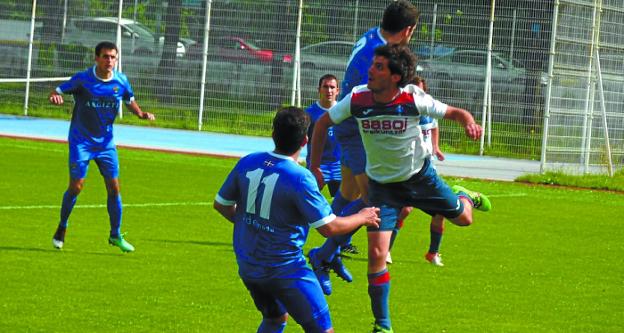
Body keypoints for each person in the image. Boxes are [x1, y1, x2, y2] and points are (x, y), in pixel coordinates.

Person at [310, 44, 492, 333]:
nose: (370, 69)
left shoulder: (412, 98)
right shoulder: (358, 98)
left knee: (464, 219)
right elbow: (322, 123)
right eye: (373, 64)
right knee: (376, 254)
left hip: (421, 178)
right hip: (383, 189)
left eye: (379, 66)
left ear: (395, 77)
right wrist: (314, 166)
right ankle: (382, 325)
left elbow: (454, 112)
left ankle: (464, 195)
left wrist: (469, 122)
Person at [213, 106, 380, 333]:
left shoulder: (248, 162)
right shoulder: (300, 178)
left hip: (249, 266)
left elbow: (221, 204)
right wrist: (362, 216)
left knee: (275, 319)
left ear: (273, 134)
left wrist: (244, 222)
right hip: (286, 270)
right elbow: (330, 228)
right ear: (305, 141)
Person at [308, 0, 420, 296]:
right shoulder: (377, 56)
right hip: (356, 126)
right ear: (407, 30)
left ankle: (327, 252)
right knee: (375, 202)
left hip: (351, 120)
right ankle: (322, 256)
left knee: (348, 192)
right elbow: (373, 96)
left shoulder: (373, 36)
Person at [49, 41, 155, 252]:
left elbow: (129, 99)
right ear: (96, 58)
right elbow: (57, 90)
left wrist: (141, 113)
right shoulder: (83, 79)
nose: (109, 61)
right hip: (81, 141)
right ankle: (62, 226)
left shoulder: (121, 80)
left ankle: (115, 235)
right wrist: (55, 96)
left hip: (106, 144)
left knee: (114, 187)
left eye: (113, 57)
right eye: (105, 56)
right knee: (76, 186)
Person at [386, 76, 446, 266]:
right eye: (414, 91)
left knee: (441, 211)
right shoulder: (403, 113)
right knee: (405, 209)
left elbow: (434, 127)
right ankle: (386, 250)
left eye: (421, 91)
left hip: (429, 170)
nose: (418, 95)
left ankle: (433, 253)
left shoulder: (429, 110)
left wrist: (435, 147)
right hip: (410, 170)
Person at [305, 74, 341, 197]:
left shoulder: (344, 111)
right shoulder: (309, 113)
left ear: (337, 90)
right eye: (325, 87)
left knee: (343, 205)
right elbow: (302, 140)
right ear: (319, 89)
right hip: (317, 165)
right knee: (307, 202)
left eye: (332, 87)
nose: (329, 90)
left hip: (339, 166)